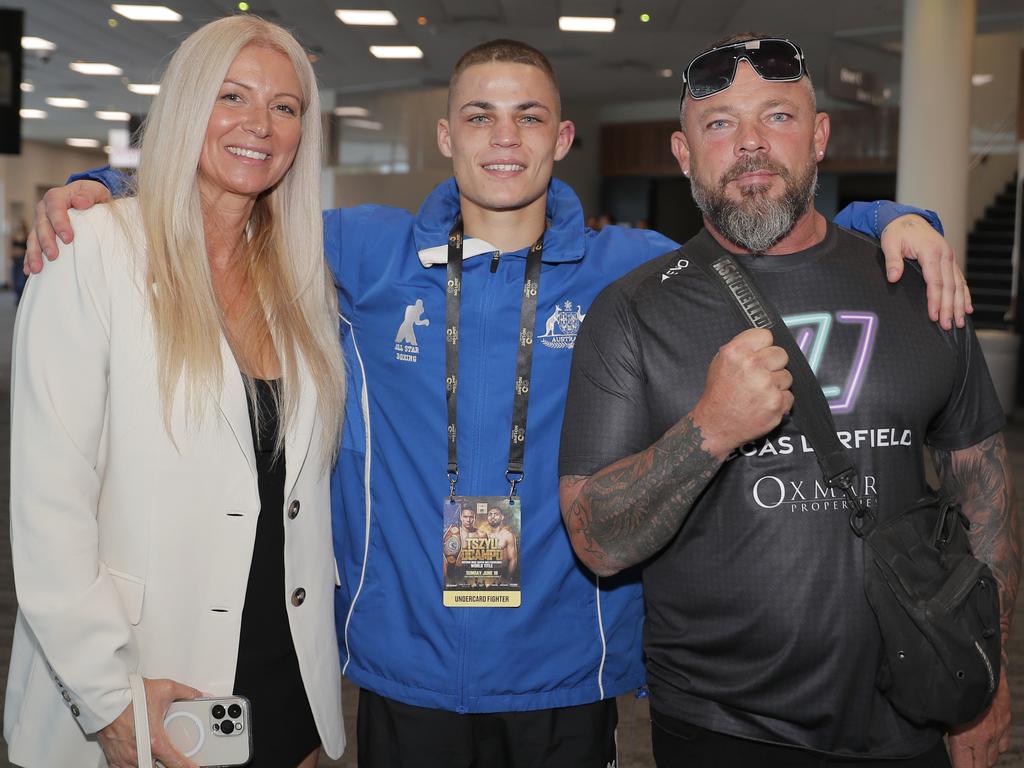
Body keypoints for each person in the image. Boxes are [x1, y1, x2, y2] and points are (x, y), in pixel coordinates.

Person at [26, 38, 969, 768]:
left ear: (562, 139)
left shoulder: (628, 269)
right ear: (447, 136)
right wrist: (97, 184)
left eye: (529, 118)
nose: (504, 138)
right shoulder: (362, 254)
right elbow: (232, 192)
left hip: (567, 669)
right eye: (479, 117)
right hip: (403, 668)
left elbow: (770, 231)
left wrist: (893, 221)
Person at [558, 34, 1019, 768]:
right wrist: (708, 429)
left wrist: (987, 690)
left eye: (777, 116)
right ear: (684, 154)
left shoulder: (917, 284)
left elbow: (985, 498)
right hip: (722, 727)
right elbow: (596, 540)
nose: (748, 144)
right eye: (719, 123)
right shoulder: (632, 312)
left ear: (819, 137)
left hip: (915, 708)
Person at [4, 16, 347, 768]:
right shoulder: (91, 252)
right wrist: (109, 701)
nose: (260, 124)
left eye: (285, 107)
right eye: (233, 96)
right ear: (188, 105)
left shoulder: (299, 280)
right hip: (141, 676)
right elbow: (47, 509)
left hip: (285, 677)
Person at [9, 218, 27, 301]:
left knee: (21, 277)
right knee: (15, 277)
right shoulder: (13, 235)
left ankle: (20, 295)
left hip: (22, 259)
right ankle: (17, 295)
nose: (18, 225)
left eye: (19, 224)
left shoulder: (26, 234)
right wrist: (10, 258)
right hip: (15, 259)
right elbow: (10, 248)